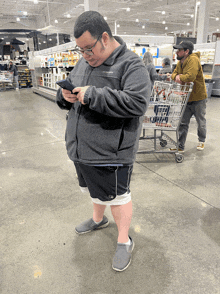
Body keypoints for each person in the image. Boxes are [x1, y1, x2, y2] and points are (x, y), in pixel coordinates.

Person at [56, 11, 151, 272]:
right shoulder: (84, 62)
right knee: (93, 190)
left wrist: (93, 95)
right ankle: (99, 219)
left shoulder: (132, 66)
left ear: (105, 38)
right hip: (81, 149)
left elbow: (137, 103)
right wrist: (65, 95)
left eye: (88, 49)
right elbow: (71, 90)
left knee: (118, 198)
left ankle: (124, 240)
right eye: (81, 50)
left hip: (112, 153)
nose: (85, 56)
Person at [171, 41, 207, 151]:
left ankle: (201, 140)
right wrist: (178, 77)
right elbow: (173, 74)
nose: (177, 52)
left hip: (198, 97)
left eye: (179, 50)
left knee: (200, 121)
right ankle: (180, 146)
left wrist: (179, 77)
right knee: (183, 123)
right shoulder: (180, 62)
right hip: (186, 97)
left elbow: (190, 76)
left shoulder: (194, 60)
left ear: (186, 51)